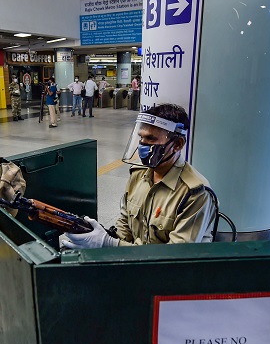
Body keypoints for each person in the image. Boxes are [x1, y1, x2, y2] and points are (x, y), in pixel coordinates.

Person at [61, 103, 215, 249]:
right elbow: (125, 222)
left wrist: (109, 244)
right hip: (133, 261)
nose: (142, 144)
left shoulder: (194, 193)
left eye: (151, 139)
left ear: (178, 144)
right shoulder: (139, 174)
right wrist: (103, 237)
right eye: (141, 138)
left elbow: (175, 256)